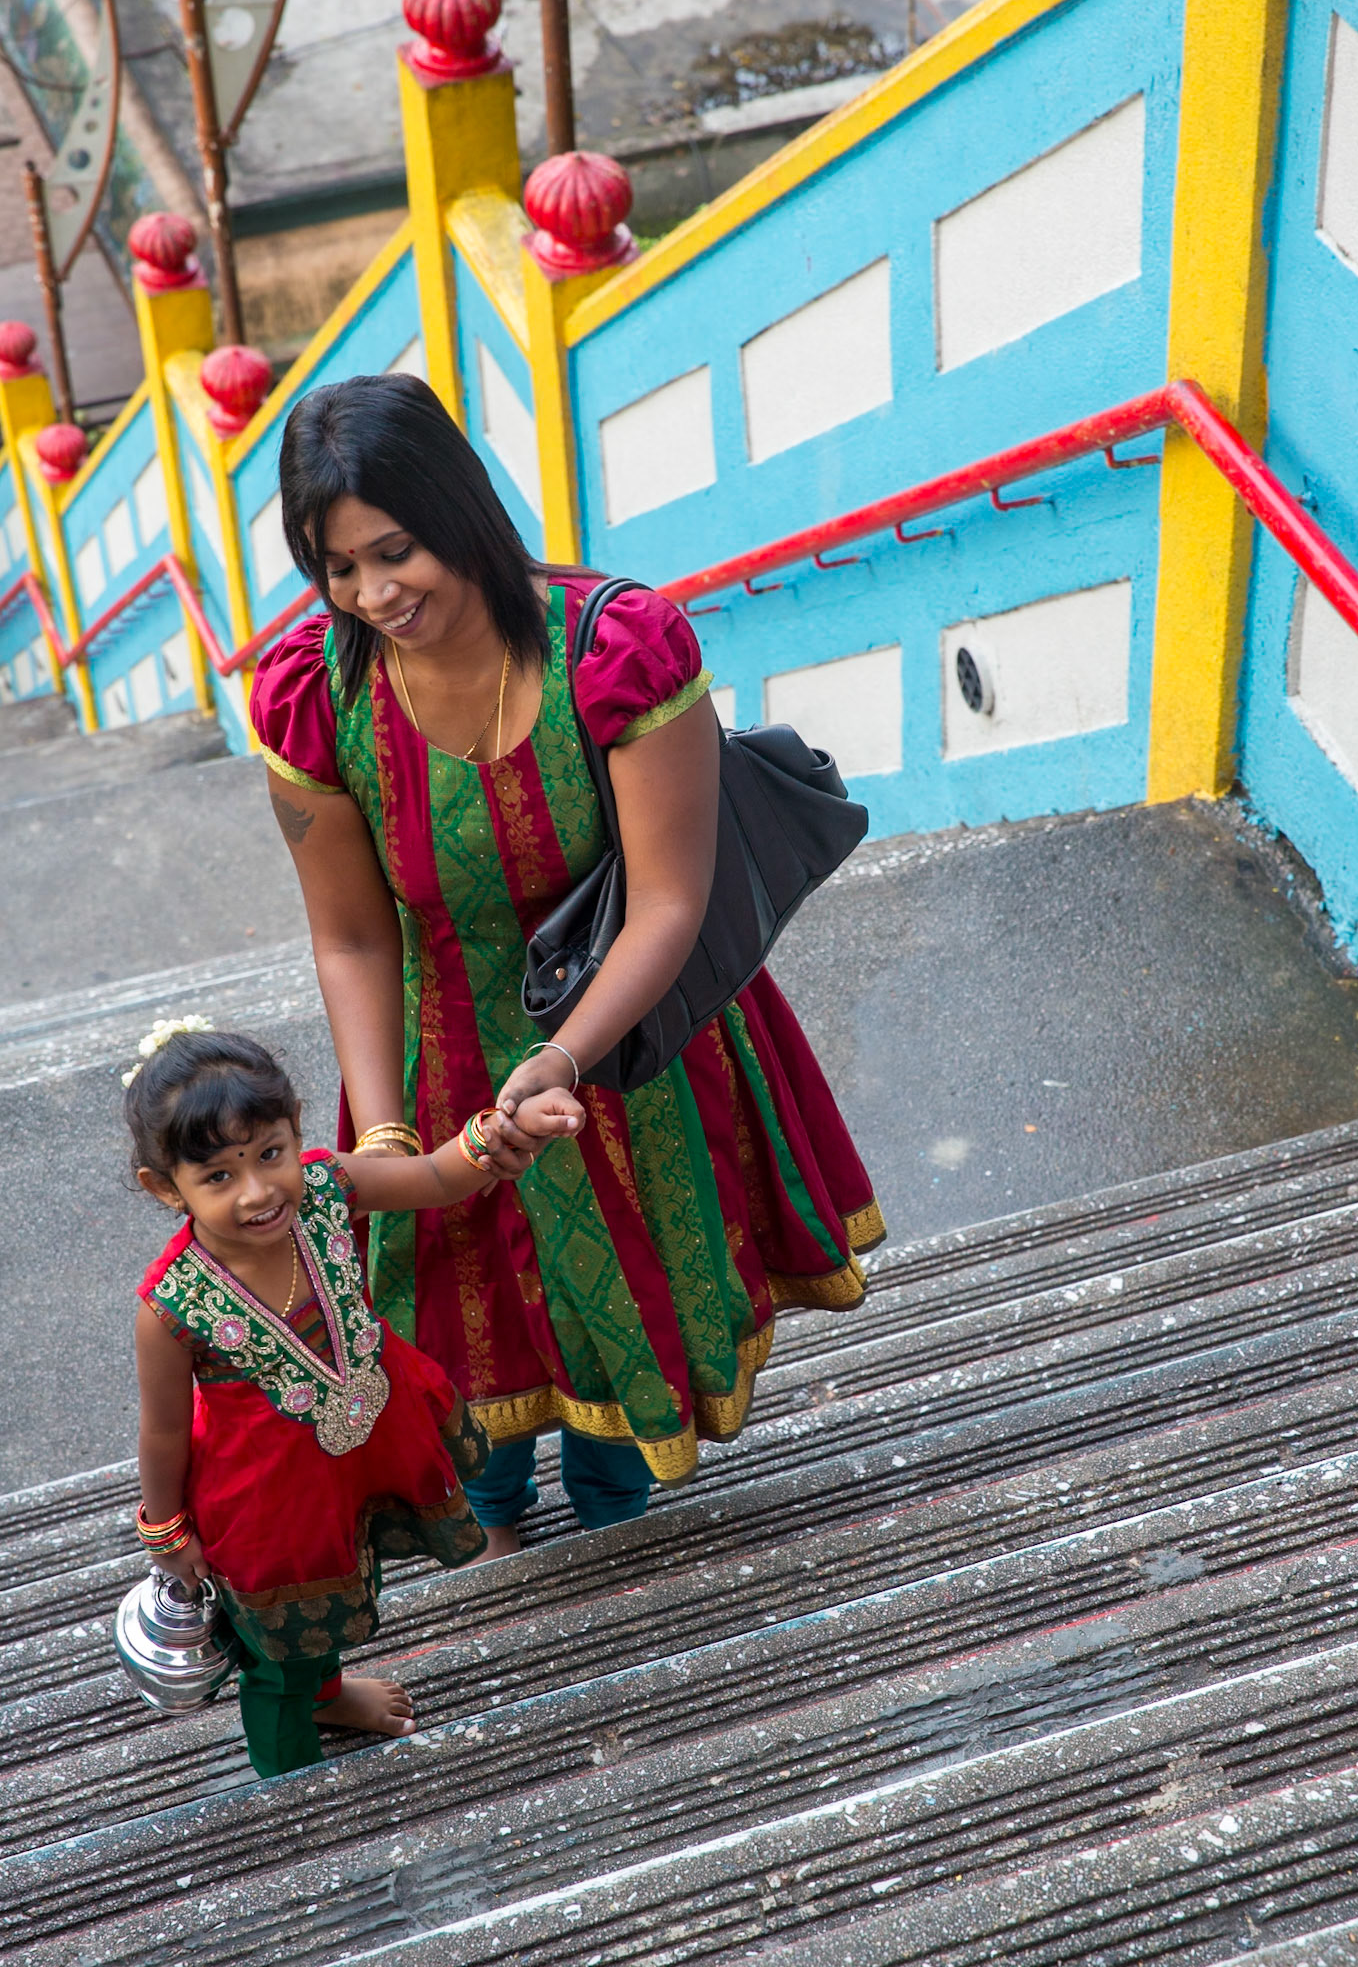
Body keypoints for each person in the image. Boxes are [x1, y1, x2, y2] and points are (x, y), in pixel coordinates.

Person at [251, 373, 884, 1551]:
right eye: (338, 568)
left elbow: (671, 900)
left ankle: (613, 1538)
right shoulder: (313, 695)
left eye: (396, 551)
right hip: (433, 1054)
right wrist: (390, 1141)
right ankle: (492, 1538)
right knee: (456, 1323)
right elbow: (350, 932)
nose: (374, 593)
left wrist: (561, 1057)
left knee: (623, 1318)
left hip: (625, 1036)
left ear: (462, 509)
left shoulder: (617, 645)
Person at [127, 1021, 583, 1779]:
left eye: (269, 1154)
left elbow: (437, 1178)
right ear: (164, 1187)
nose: (258, 1192)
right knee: (278, 1648)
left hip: (367, 1440)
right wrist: (166, 1529)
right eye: (218, 1178)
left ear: (295, 1126)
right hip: (266, 1497)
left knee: (343, 1580)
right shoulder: (168, 1309)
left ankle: (327, 1693)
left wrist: (506, 1132)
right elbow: (165, 1432)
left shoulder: (329, 1187)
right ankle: (293, 1784)